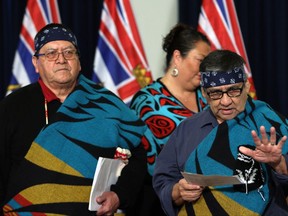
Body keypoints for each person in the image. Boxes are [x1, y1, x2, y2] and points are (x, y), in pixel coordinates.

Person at [0, 23, 147, 216]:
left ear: (79, 61)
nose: (61, 59)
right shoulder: (12, 107)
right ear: (36, 63)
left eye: (69, 52)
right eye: (51, 53)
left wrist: (119, 195)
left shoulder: (106, 104)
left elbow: (137, 157)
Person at [153, 49, 288, 215]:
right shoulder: (187, 130)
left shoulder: (269, 122)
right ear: (204, 93)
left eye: (233, 90)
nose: (225, 101)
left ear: (246, 86)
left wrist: (278, 164)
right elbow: (163, 180)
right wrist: (178, 191)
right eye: (216, 93)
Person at [129, 23, 211, 215]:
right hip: (159, 203)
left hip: (209, 199)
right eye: (200, 60)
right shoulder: (147, 101)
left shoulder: (208, 97)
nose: (205, 69)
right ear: (177, 57)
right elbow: (147, 164)